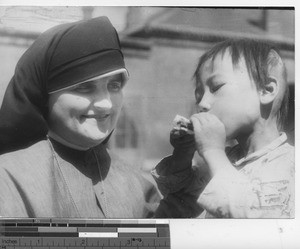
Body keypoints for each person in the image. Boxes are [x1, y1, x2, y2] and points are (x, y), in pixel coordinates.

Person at [153, 39, 294, 218]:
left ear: (266, 90)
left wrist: (213, 152)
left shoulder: (289, 165)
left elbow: (257, 219)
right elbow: (177, 202)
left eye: (216, 87)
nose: (202, 104)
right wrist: (182, 156)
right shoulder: (225, 159)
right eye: (199, 95)